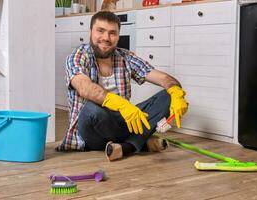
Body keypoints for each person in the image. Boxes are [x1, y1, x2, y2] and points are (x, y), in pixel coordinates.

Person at [56, 11, 188, 161]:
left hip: (120, 123)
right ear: (90, 32)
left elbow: (164, 78)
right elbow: (84, 87)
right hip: (91, 130)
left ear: (118, 36)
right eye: (100, 31)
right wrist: (121, 104)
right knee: (92, 109)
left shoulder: (126, 57)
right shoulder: (78, 56)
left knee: (168, 96)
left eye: (112, 33)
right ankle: (137, 142)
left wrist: (176, 91)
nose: (106, 38)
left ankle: (125, 147)